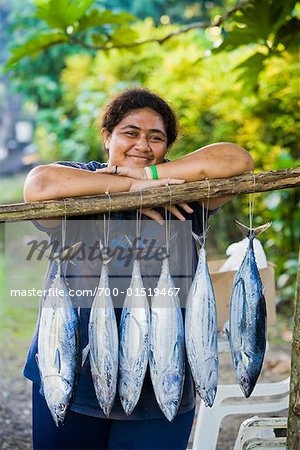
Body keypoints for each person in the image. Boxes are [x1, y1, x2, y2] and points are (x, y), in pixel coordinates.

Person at [23, 87, 254, 450]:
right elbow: (39, 184)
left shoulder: (182, 193)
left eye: (156, 138)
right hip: (70, 376)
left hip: (162, 383)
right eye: (130, 133)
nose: (142, 145)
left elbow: (237, 160)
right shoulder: (79, 183)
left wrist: (151, 179)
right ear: (107, 137)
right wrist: (129, 185)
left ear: (166, 150)